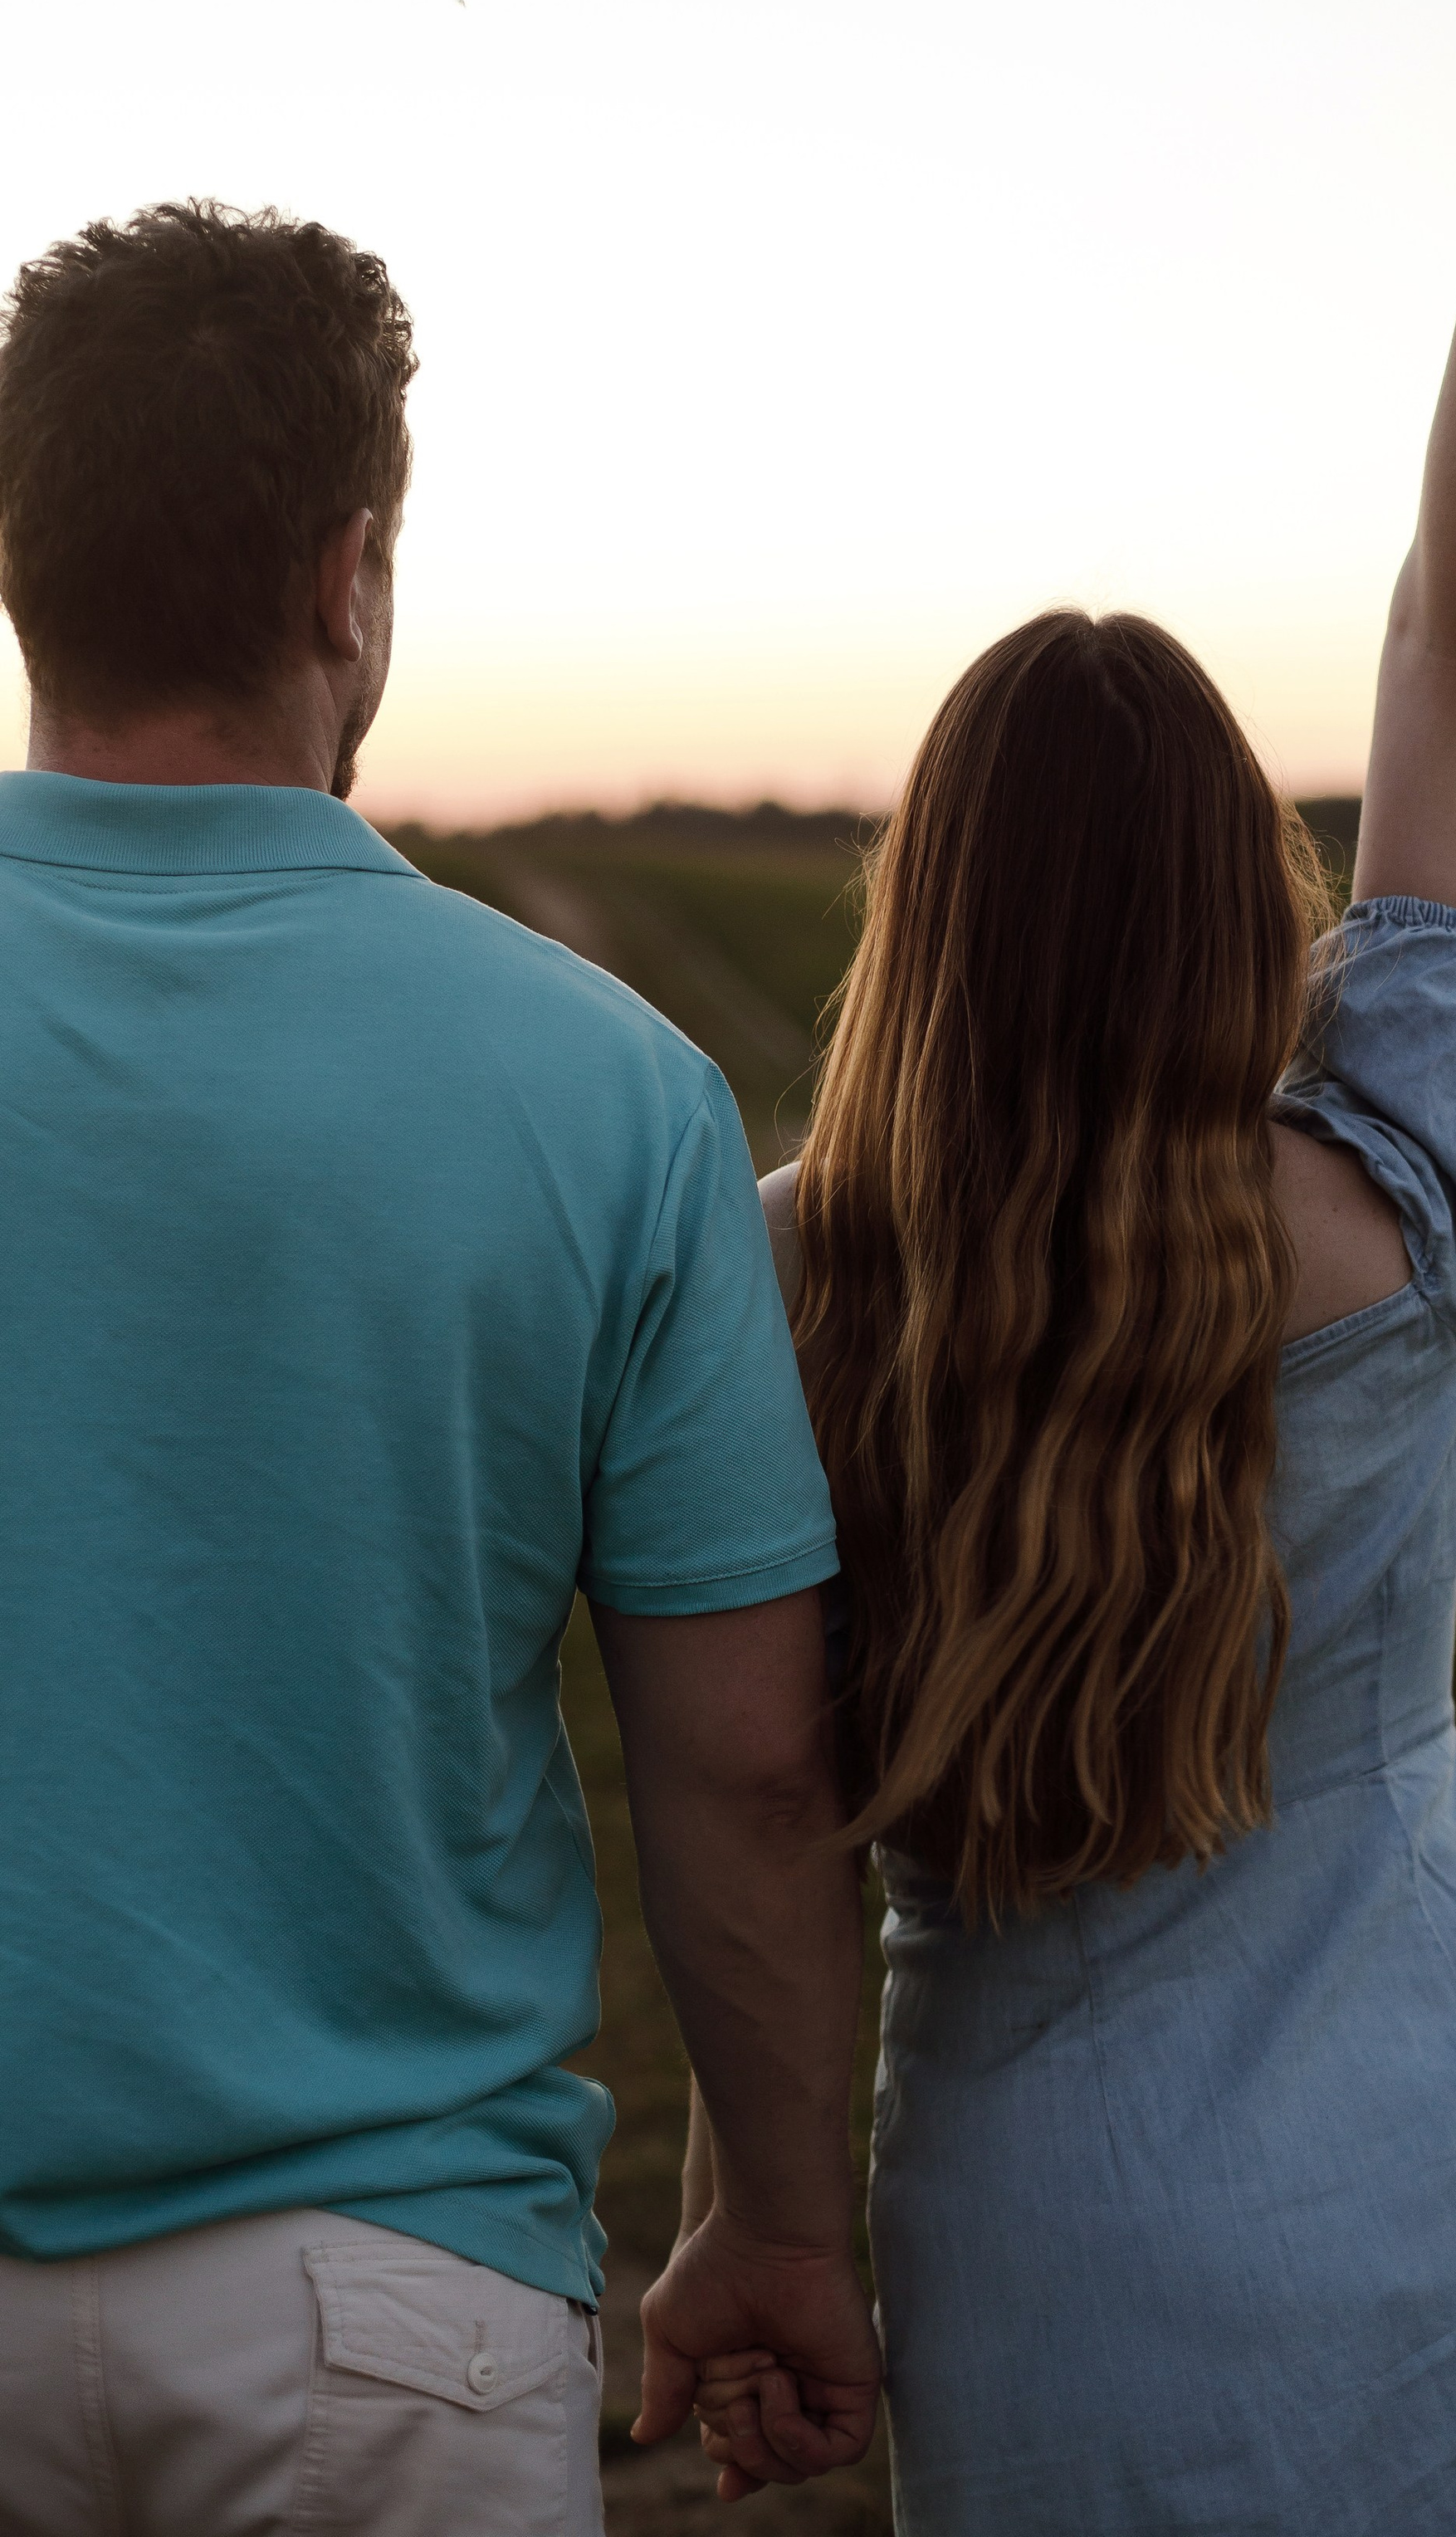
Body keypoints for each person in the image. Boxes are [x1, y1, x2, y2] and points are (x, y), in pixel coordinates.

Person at [680, 0, 1456, 2529]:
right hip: (1454, 2207)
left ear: (919, 920)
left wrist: (747, 2220)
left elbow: (760, 1815)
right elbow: (1455, 641)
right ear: (1227, 910)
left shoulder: (787, 1277)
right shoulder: (1399, 1173)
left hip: (1048, 2279)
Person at [0, 204, 878, 2535]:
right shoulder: (612, 1092)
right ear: (349, 577)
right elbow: (752, 1768)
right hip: (390, 2335)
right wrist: (780, 2227)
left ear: (25, 564)